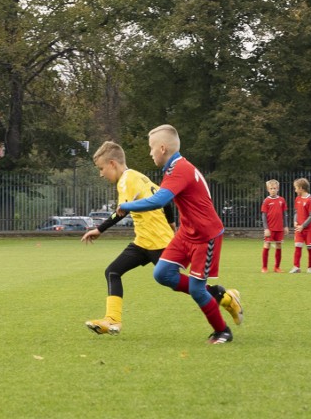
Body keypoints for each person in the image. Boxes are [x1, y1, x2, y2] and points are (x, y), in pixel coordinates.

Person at [117, 125, 243, 345]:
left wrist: (128, 205)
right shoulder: (173, 168)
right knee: (162, 273)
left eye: (151, 148)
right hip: (187, 232)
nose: (150, 153)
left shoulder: (180, 169)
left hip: (206, 236)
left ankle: (223, 331)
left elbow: (159, 201)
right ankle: (221, 295)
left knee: (196, 289)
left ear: (163, 148)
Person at [80, 141, 175, 335]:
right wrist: (172, 225)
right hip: (143, 242)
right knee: (113, 271)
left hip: (158, 242)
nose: (101, 174)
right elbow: (166, 200)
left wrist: (99, 230)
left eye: (101, 168)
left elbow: (121, 212)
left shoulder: (125, 180)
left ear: (113, 163)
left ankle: (222, 295)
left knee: (177, 282)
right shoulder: (140, 176)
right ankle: (112, 320)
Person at [260, 179, 289, 273]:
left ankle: (277, 267)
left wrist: (286, 226)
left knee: (279, 245)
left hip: (279, 228)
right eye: (271, 188)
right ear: (268, 189)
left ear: (278, 189)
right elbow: (264, 215)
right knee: (267, 245)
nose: (273, 190)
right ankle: (264, 267)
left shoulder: (282, 200)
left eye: (274, 188)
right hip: (270, 228)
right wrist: (266, 228)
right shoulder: (266, 201)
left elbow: (285, 214)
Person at [289, 178, 311, 274]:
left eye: (296, 188)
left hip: (308, 229)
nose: (295, 190)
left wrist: (303, 226)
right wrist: (295, 221)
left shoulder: (310, 200)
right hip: (299, 228)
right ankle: (296, 267)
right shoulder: (297, 199)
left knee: (310, 247)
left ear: (301, 188)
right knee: (297, 246)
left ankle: (310, 267)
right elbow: (296, 211)